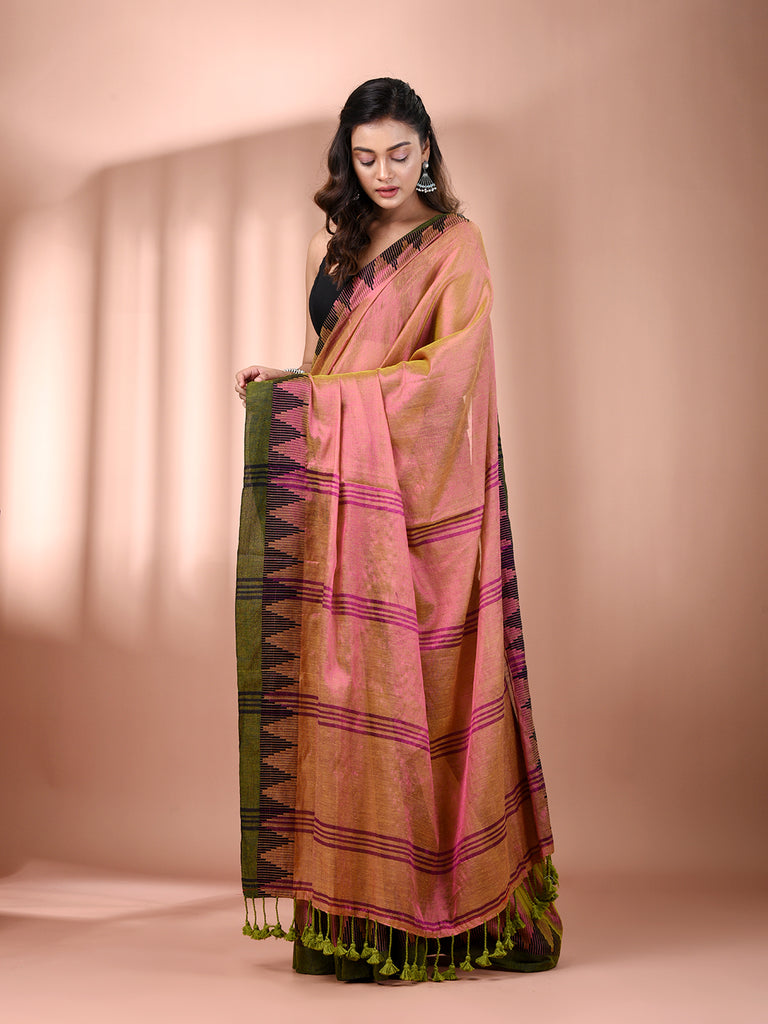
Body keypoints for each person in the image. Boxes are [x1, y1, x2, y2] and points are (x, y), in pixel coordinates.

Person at [233, 78, 562, 983]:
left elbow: (449, 380)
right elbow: (324, 367)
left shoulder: (456, 245)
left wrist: (326, 403)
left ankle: (441, 917)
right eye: (366, 155)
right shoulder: (327, 245)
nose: (383, 172)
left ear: (427, 151)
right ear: (348, 157)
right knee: (342, 693)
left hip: (419, 507)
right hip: (340, 498)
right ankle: (353, 918)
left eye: (400, 153)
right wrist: (285, 388)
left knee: (422, 691)